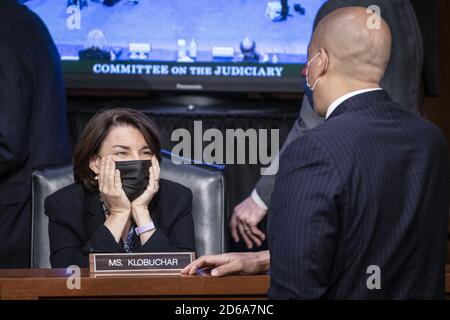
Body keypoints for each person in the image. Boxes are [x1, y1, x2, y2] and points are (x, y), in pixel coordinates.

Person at [186, 6, 449, 299]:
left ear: (320, 62)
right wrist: (263, 259)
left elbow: (296, 292)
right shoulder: (431, 141)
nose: (304, 70)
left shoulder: (312, 151)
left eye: (307, 60)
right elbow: (381, 246)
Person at [230, 0, 425, 250]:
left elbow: (311, 123)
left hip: (364, 192)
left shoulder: (345, 8)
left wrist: (260, 198)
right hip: (405, 190)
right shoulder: (401, 6)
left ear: (319, 62)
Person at [45, 108, 195, 268]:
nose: (137, 161)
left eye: (145, 152)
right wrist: (118, 214)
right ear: (95, 162)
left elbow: (182, 272)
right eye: (122, 153)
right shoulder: (64, 205)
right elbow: (70, 277)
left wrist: (142, 212)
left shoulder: (177, 199)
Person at [0, 0, 71, 268]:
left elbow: (6, 143)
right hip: (28, 207)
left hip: (12, 214)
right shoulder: (22, 21)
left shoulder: (5, 29)